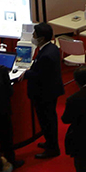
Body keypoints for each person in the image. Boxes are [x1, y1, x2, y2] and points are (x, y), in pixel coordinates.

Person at [25, 22, 64, 159]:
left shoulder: (47, 55)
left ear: (41, 38)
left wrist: (26, 74)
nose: (33, 36)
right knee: (48, 120)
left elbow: (41, 75)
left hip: (45, 93)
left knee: (47, 121)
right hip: (48, 91)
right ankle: (49, 142)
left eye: (34, 35)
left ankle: (52, 148)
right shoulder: (50, 48)